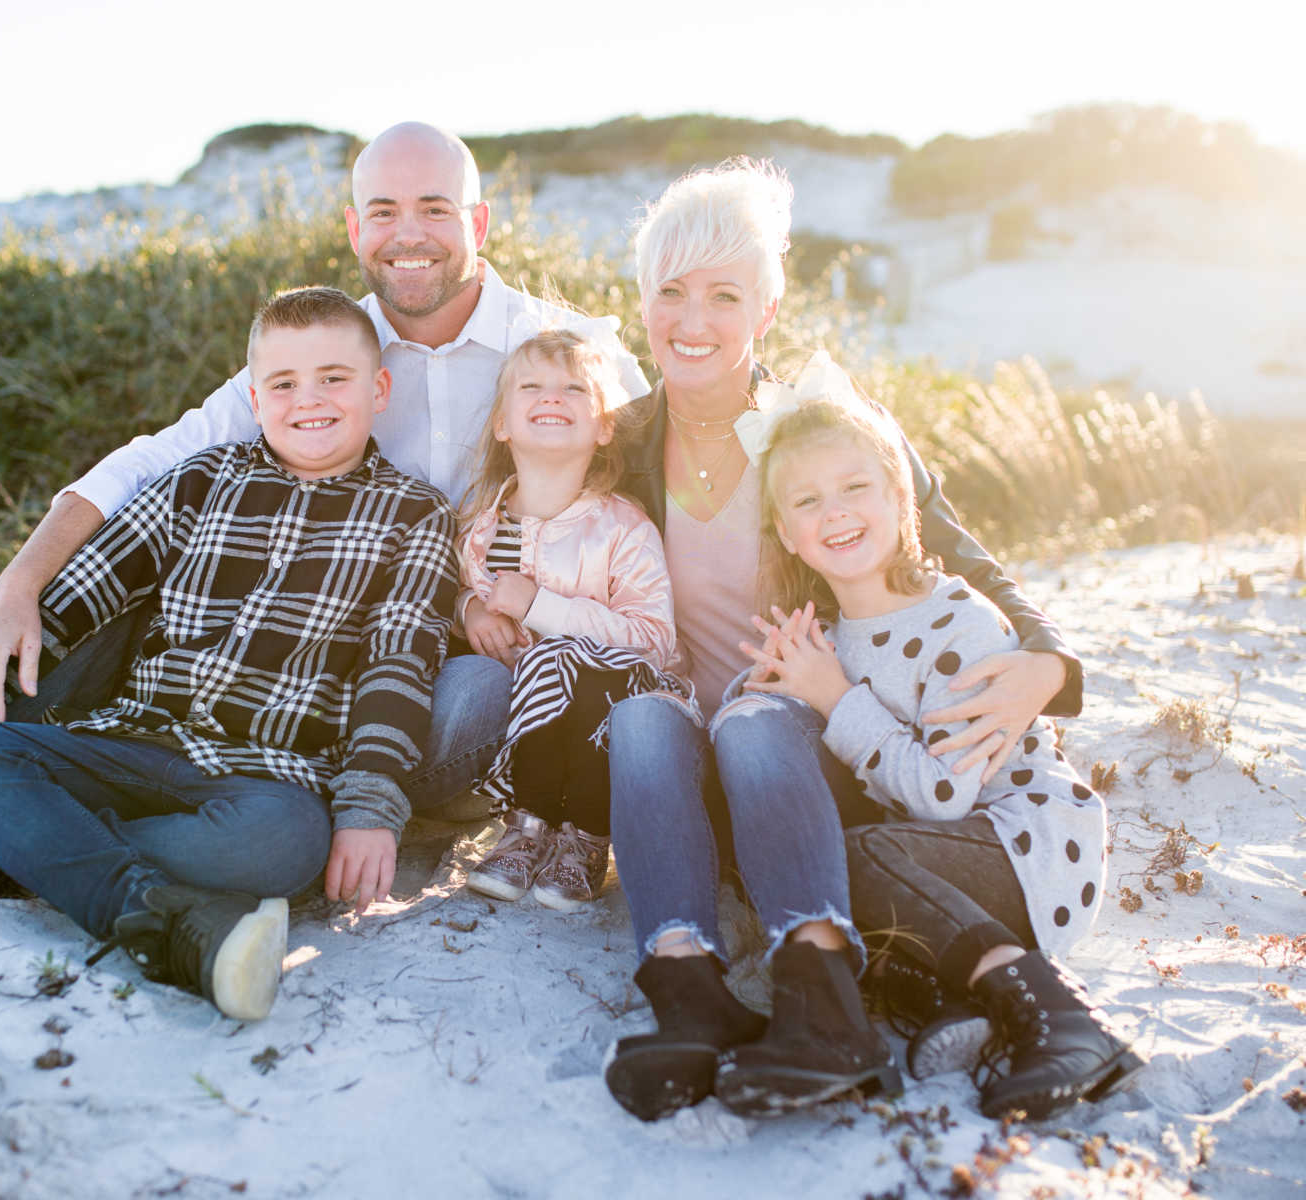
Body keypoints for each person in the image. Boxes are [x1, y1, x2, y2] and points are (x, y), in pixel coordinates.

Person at [0, 121, 647, 854]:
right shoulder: (327, 352)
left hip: (448, 659)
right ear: (354, 228)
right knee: (133, 577)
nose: (411, 236)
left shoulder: (567, 351)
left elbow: (666, 483)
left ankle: (284, 813)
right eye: (386, 212)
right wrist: (14, 585)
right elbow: (146, 466)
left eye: (437, 209)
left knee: (477, 691)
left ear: (479, 224)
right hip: (300, 646)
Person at [600, 159, 1088, 1123]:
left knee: (755, 719)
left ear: (766, 313)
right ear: (642, 302)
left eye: (724, 295)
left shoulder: (823, 433)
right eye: (671, 292)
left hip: (815, 740)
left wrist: (1049, 663)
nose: (693, 320)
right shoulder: (617, 441)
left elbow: (959, 557)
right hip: (699, 753)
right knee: (643, 720)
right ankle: (690, 1001)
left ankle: (824, 1006)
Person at [0, 287, 456, 1020]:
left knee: (285, 846)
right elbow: (72, 601)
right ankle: (160, 916)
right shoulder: (201, 481)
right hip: (130, 744)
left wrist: (369, 808)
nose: (311, 401)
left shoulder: (415, 514)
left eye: (335, 378)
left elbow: (398, 665)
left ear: (379, 389)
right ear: (255, 397)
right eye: (285, 383)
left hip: (267, 779)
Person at [727, 351, 1139, 1120]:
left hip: (1025, 848)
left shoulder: (961, 621)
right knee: (811, 867)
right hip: (929, 867)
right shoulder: (830, 635)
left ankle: (1065, 1019)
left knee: (858, 855)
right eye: (808, 501)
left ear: (899, 497)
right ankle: (957, 1003)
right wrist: (771, 688)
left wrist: (836, 697)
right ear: (785, 531)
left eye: (856, 488)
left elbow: (947, 796)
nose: (836, 512)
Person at [455, 322, 687, 910]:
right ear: (503, 424)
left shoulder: (622, 527)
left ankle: (585, 835)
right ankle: (526, 826)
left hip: (606, 716)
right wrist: (470, 609)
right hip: (522, 726)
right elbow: (445, 592)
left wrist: (541, 607)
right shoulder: (480, 524)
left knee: (569, 659)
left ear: (604, 426)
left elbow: (654, 641)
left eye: (575, 390)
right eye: (530, 386)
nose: (552, 397)